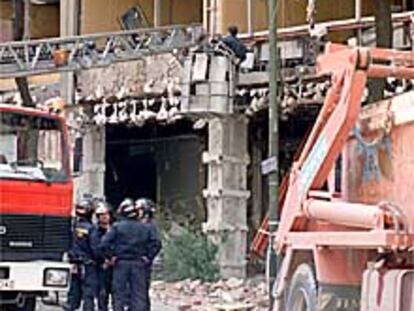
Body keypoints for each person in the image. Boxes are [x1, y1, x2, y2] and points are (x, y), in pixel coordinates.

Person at [99, 198, 162, 311]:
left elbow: (104, 244)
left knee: (119, 294)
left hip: (120, 264)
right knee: (139, 294)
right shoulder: (145, 227)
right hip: (139, 264)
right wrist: (148, 257)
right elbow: (156, 243)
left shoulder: (117, 227)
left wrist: (110, 257)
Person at [64, 199, 98, 311]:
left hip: (74, 261)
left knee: (74, 289)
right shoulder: (91, 229)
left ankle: (71, 306)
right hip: (87, 263)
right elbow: (94, 247)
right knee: (88, 290)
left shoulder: (73, 226)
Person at [135, 198, 162, 309]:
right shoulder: (135, 225)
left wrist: (148, 257)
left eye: (139, 210)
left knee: (141, 290)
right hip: (133, 262)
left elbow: (156, 244)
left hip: (142, 263)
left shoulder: (149, 227)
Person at [92, 202, 115, 311]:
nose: (105, 217)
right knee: (102, 292)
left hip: (116, 265)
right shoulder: (95, 232)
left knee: (117, 292)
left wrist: (114, 258)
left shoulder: (115, 229)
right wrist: (105, 260)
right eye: (102, 215)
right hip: (101, 266)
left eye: (106, 214)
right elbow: (96, 248)